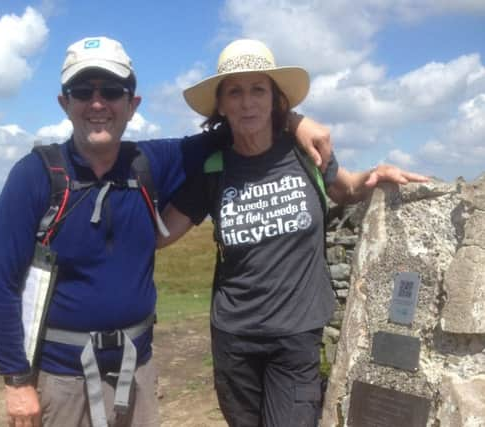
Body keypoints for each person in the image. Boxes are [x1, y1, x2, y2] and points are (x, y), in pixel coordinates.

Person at [0, 36, 334, 427]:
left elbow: (238, 124)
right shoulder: (34, 176)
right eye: (83, 91)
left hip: (138, 373)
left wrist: (296, 121)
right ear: (65, 103)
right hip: (61, 379)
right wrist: (16, 381)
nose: (98, 104)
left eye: (112, 91)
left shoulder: (150, 162)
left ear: (132, 105)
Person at [156, 39, 429, 427]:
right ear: (221, 104)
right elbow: (162, 232)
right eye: (235, 91)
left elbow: (346, 190)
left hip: (296, 334)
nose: (247, 102)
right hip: (234, 338)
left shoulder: (304, 154)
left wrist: (375, 177)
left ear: (274, 99)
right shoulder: (214, 168)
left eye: (258, 89)